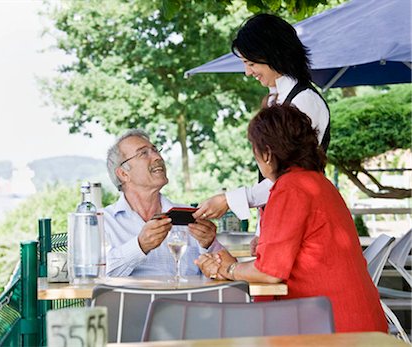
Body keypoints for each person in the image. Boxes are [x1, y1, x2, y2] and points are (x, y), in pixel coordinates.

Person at [195, 105, 387, 333]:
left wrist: (228, 269)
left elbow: (269, 273)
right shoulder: (317, 182)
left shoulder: (291, 189)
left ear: (266, 153)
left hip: (333, 326)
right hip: (357, 318)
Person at [193, 14, 330, 246]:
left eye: (251, 63)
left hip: (301, 227)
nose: (247, 72)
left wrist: (229, 200)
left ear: (273, 55)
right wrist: (262, 230)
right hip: (284, 223)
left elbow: (289, 181)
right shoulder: (278, 99)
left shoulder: (304, 101)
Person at [103, 129, 222, 277]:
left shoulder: (190, 215)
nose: (157, 157)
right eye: (143, 153)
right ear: (123, 174)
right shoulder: (103, 221)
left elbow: (223, 272)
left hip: (185, 299)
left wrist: (209, 245)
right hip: (130, 300)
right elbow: (96, 275)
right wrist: (139, 246)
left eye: (155, 150)